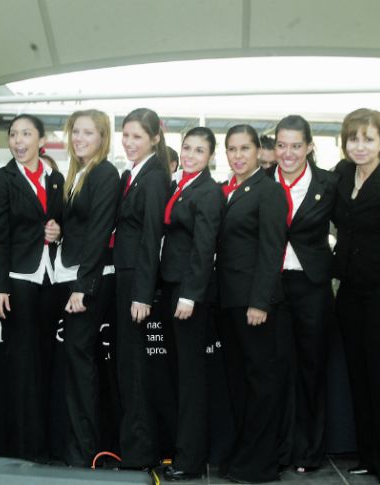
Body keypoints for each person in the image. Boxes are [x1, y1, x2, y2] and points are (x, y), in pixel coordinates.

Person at [332, 108, 380, 485]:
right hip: (350, 291)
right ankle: (368, 457)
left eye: (368, 139)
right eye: (353, 139)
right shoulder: (343, 175)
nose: (360, 146)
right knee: (358, 377)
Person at [0, 114, 64, 462]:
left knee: (47, 359)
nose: (18, 140)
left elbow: (61, 221)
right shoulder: (1, 179)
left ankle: (46, 443)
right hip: (18, 280)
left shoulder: (55, 179)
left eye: (26, 134)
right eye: (13, 134)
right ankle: (22, 446)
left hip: (51, 278)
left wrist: (57, 232)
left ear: (41, 139)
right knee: (21, 363)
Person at [216, 124, 288, 483]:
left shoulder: (269, 191)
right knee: (239, 383)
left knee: (260, 382)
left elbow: (271, 250)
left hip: (252, 304)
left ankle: (260, 464)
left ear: (260, 151)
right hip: (228, 301)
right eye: (232, 149)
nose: (238, 155)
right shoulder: (226, 190)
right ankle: (243, 455)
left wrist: (260, 302)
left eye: (245, 148)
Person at [267, 115, 338, 473]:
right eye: (282, 145)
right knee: (278, 370)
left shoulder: (329, 182)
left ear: (309, 146)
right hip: (273, 288)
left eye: (296, 145)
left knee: (312, 368)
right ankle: (281, 450)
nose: (288, 152)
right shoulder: (263, 181)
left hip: (312, 287)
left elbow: (352, 230)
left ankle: (311, 451)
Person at [54, 109, 120, 467]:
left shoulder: (105, 172)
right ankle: (81, 448)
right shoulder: (77, 173)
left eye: (88, 133)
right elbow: (79, 227)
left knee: (82, 364)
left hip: (90, 281)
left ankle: (84, 452)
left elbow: (99, 232)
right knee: (78, 364)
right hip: (75, 276)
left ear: (102, 137)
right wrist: (59, 230)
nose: (79, 138)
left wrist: (83, 286)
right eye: (75, 132)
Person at [159, 127, 224, 481]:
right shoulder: (178, 184)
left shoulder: (208, 191)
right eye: (187, 148)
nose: (191, 155)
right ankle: (183, 452)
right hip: (172, 287)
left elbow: (204, 248)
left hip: (189, 295)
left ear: (210, 156)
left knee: (191, 379)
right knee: (180, 376)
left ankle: (191, 461)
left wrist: (189, 295)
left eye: (200, 150)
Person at [112, 107, 171, 470]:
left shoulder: (153, 177)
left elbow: (152, 237)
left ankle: (139, 454)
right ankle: (133, 448)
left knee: (134, 368)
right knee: (126, 366)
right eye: (127, 135)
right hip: (125, 274)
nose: (130, 142)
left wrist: (141, 294)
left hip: (136, 279)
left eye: (137, 136)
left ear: (154, 139)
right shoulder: (131, 174)